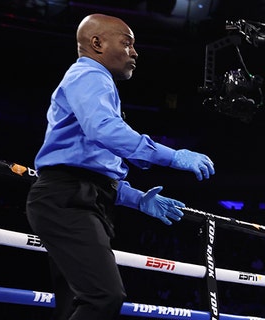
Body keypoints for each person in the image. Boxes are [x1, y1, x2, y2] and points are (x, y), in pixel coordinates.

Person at [25, 13, 215, 320]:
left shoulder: (95, 84)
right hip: (67, 200)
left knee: (76, 303)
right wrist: (172, 156)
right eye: (127, 43)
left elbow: (91, 166)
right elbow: (103, 131)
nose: (135, 52)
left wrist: (136, 199)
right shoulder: (89, 76)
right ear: (97, 43)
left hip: (78, 198)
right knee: (104, 296)